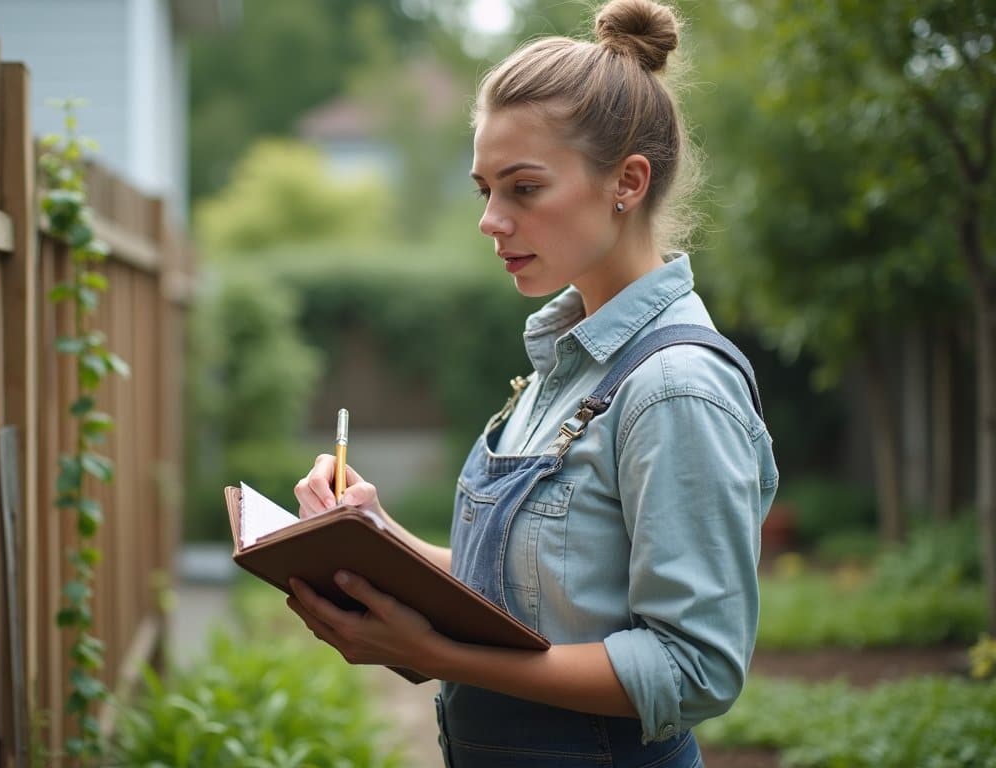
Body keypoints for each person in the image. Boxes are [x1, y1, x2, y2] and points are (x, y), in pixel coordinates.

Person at [286, 1, 779, 765]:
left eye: (522, 188)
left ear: (627, 182)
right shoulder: (567, 363)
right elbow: (538, 589)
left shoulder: (675, 388)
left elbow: (693, 668)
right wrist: (375, 538)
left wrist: (446, 659)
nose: (490, 219)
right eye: (485, 188)